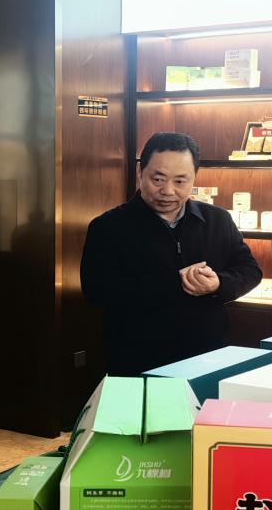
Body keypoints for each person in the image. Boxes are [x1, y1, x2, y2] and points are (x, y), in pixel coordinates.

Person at [80, 132, 262, 375]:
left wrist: (218, 284)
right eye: (158, 179)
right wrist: (177, 283)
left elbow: (250, 270)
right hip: (137, 360)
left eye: (180, 181)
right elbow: (96, 290)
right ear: (140, 172)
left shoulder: (217, 220)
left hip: (207, 358)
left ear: (194, 178)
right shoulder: (108, 227)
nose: (167, 191)